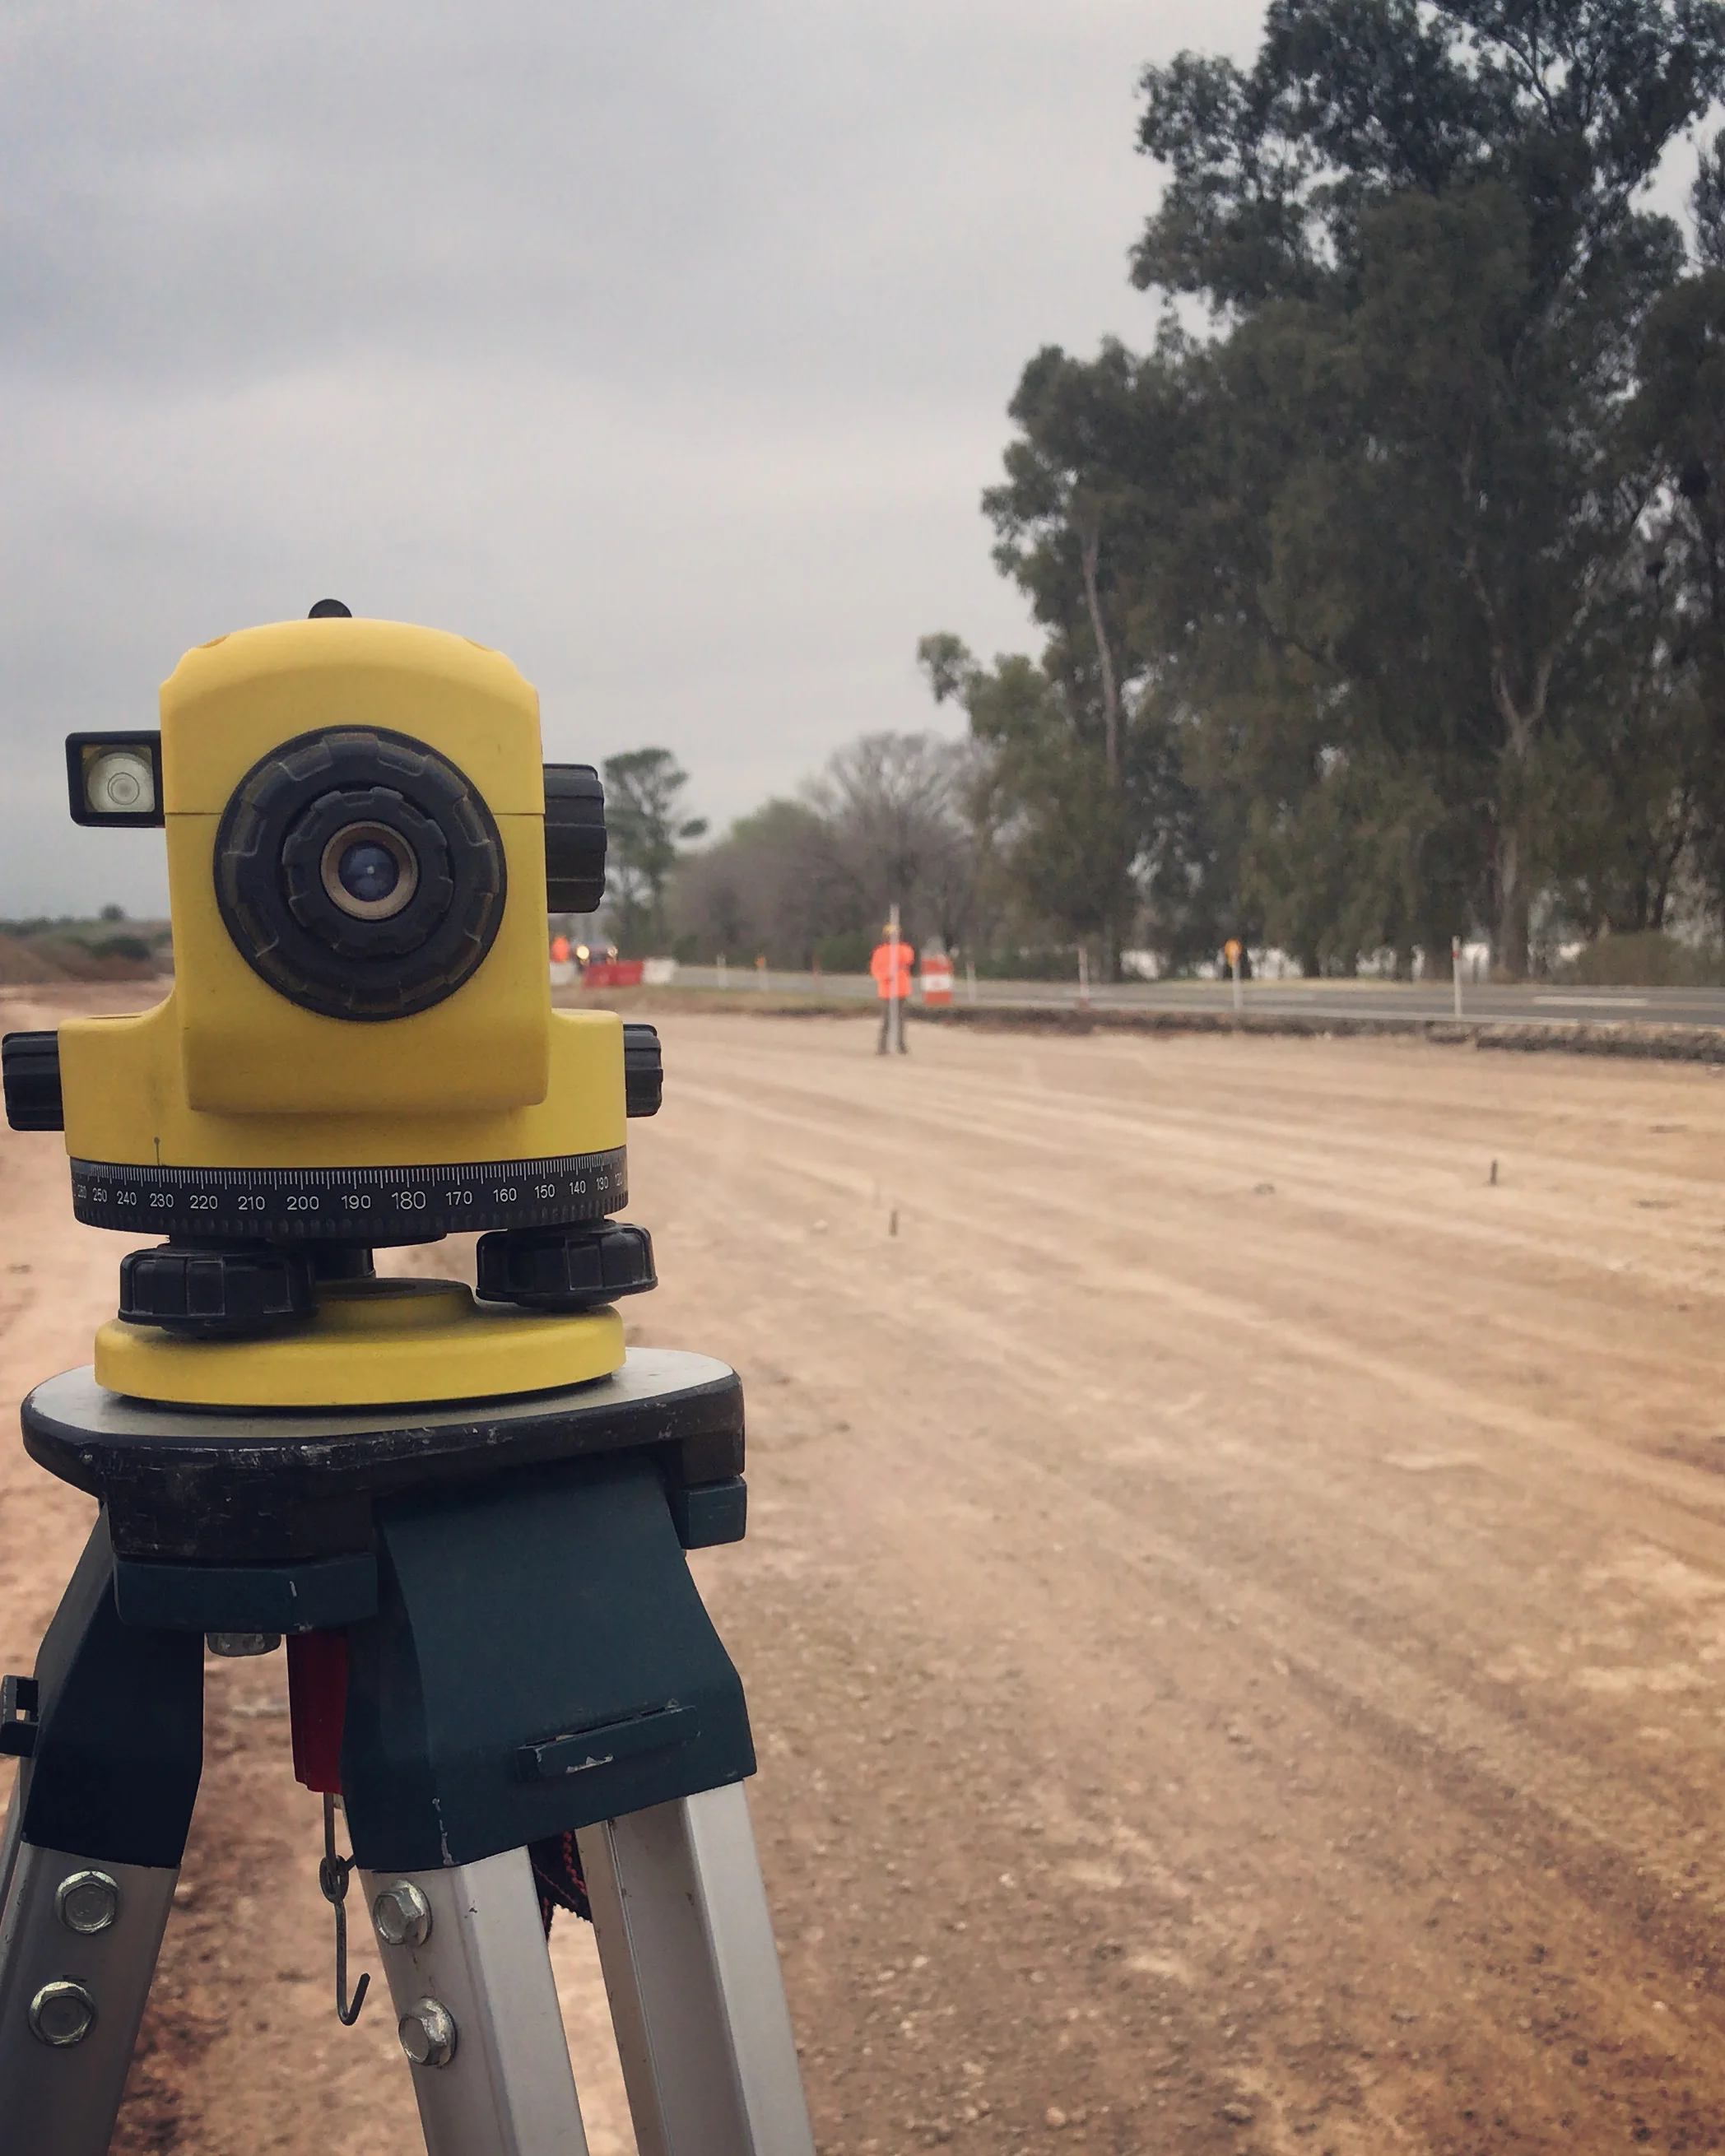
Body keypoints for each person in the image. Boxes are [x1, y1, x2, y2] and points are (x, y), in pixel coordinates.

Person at [869, 922, 915, 1053]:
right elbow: (875, 970)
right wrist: (886, 976)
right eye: (890, 935)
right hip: (886, 990)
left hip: (901, 989)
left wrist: (897, 952)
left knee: (901, 1019)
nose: (892, 937)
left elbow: (909, 959)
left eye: (895, 934)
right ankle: (882, 1046)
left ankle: (901, 1044)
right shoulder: (879, 952)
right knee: (886, 1020)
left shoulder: (904, 949)